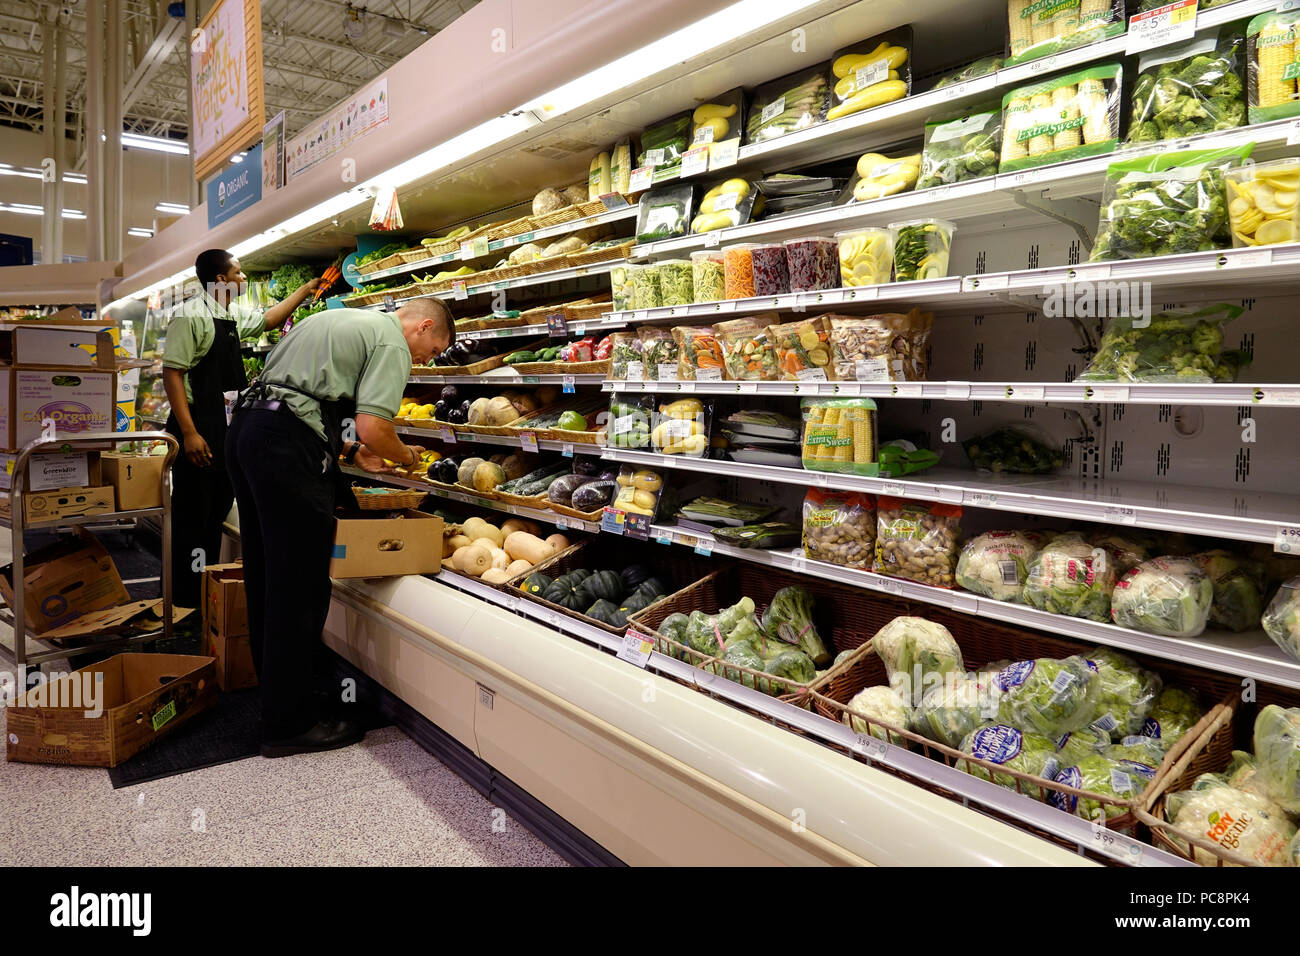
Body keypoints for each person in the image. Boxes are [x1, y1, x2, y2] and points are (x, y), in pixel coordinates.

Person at [226, 298, 454, 757]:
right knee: (300, 585)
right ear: (423, 326)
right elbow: (373, 427)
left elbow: (304, 393)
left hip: (249, 430)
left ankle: (280, 699)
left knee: (268, 576)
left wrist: (349, 452)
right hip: (286, 447)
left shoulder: (337, 320)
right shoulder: (391, 341)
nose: (427, 361)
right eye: (432, 350)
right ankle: (289, 726)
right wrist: (408, 457)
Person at [161, 249, 321, 612]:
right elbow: (172, 374)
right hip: (196, 426)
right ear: (221, 280)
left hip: (223, 428)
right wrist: (189, 434)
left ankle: (202, 600)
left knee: (213, 515)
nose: (244, 278)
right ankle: (181, 603)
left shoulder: (227, 312)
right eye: (239, 272)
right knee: (191, 519)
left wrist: (306, 290)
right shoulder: (190, 315)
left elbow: (268, 320)